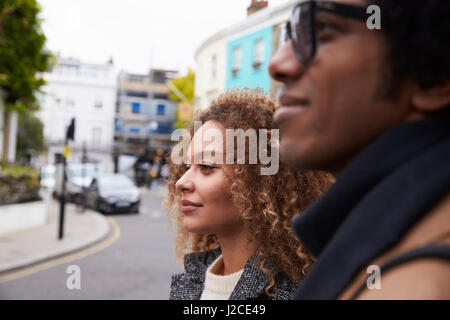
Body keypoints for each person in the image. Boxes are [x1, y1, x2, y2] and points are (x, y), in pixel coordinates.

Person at [268, 0, 450, 299]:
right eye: (291, 33)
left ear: (434, 76)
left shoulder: (418, 280)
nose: (278, 63)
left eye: (322, 28)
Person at [166, 90, 333, 300]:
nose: (181, 183)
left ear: (260, 181)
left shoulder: (297, 294)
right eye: (186, 167)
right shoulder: (193, 279)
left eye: (207, 166)